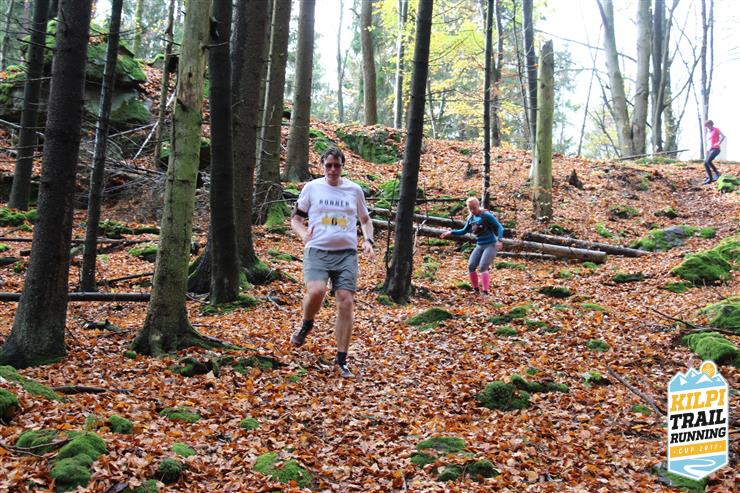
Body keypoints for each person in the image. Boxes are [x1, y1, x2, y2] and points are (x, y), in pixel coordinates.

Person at [290, 148, 374, 378]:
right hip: (318, 250)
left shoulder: (354, 190)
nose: (333, 170)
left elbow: (365, 220)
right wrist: (304, 234)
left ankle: (341, 359)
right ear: (322, 166)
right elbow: (296, 219)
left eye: (337, 165)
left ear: (342, 166)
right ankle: (307, 323)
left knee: (346, 302)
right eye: (328, 165)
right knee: (317, 291)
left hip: (346, 253)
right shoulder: (312, 188)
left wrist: (368, 240)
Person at [441, 197, 504, 297]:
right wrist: (451, 232)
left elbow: (499, 226)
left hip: (491, 245)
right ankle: (475, 290)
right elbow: (463, 231)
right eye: (470, 208)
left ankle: (485, 292)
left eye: (474, 208)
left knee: (483, 267)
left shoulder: (486, 215)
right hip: (479, 245)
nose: (472, 210)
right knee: (471, 266)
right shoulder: (471, 218)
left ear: (478, 205)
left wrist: (499, 240)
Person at [703, 120, 725, 184]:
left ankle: (717, 174)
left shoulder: (716, 129)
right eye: (706, 126)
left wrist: (719, 143)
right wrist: (708, 150)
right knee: (705, 163)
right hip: (711, 149)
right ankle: (710, 178)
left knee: (708, 161)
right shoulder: (710, 132)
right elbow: (710, 142)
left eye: (707, 126)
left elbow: (723, 136)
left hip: (716, 149)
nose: (707, 127)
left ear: (711, 124)